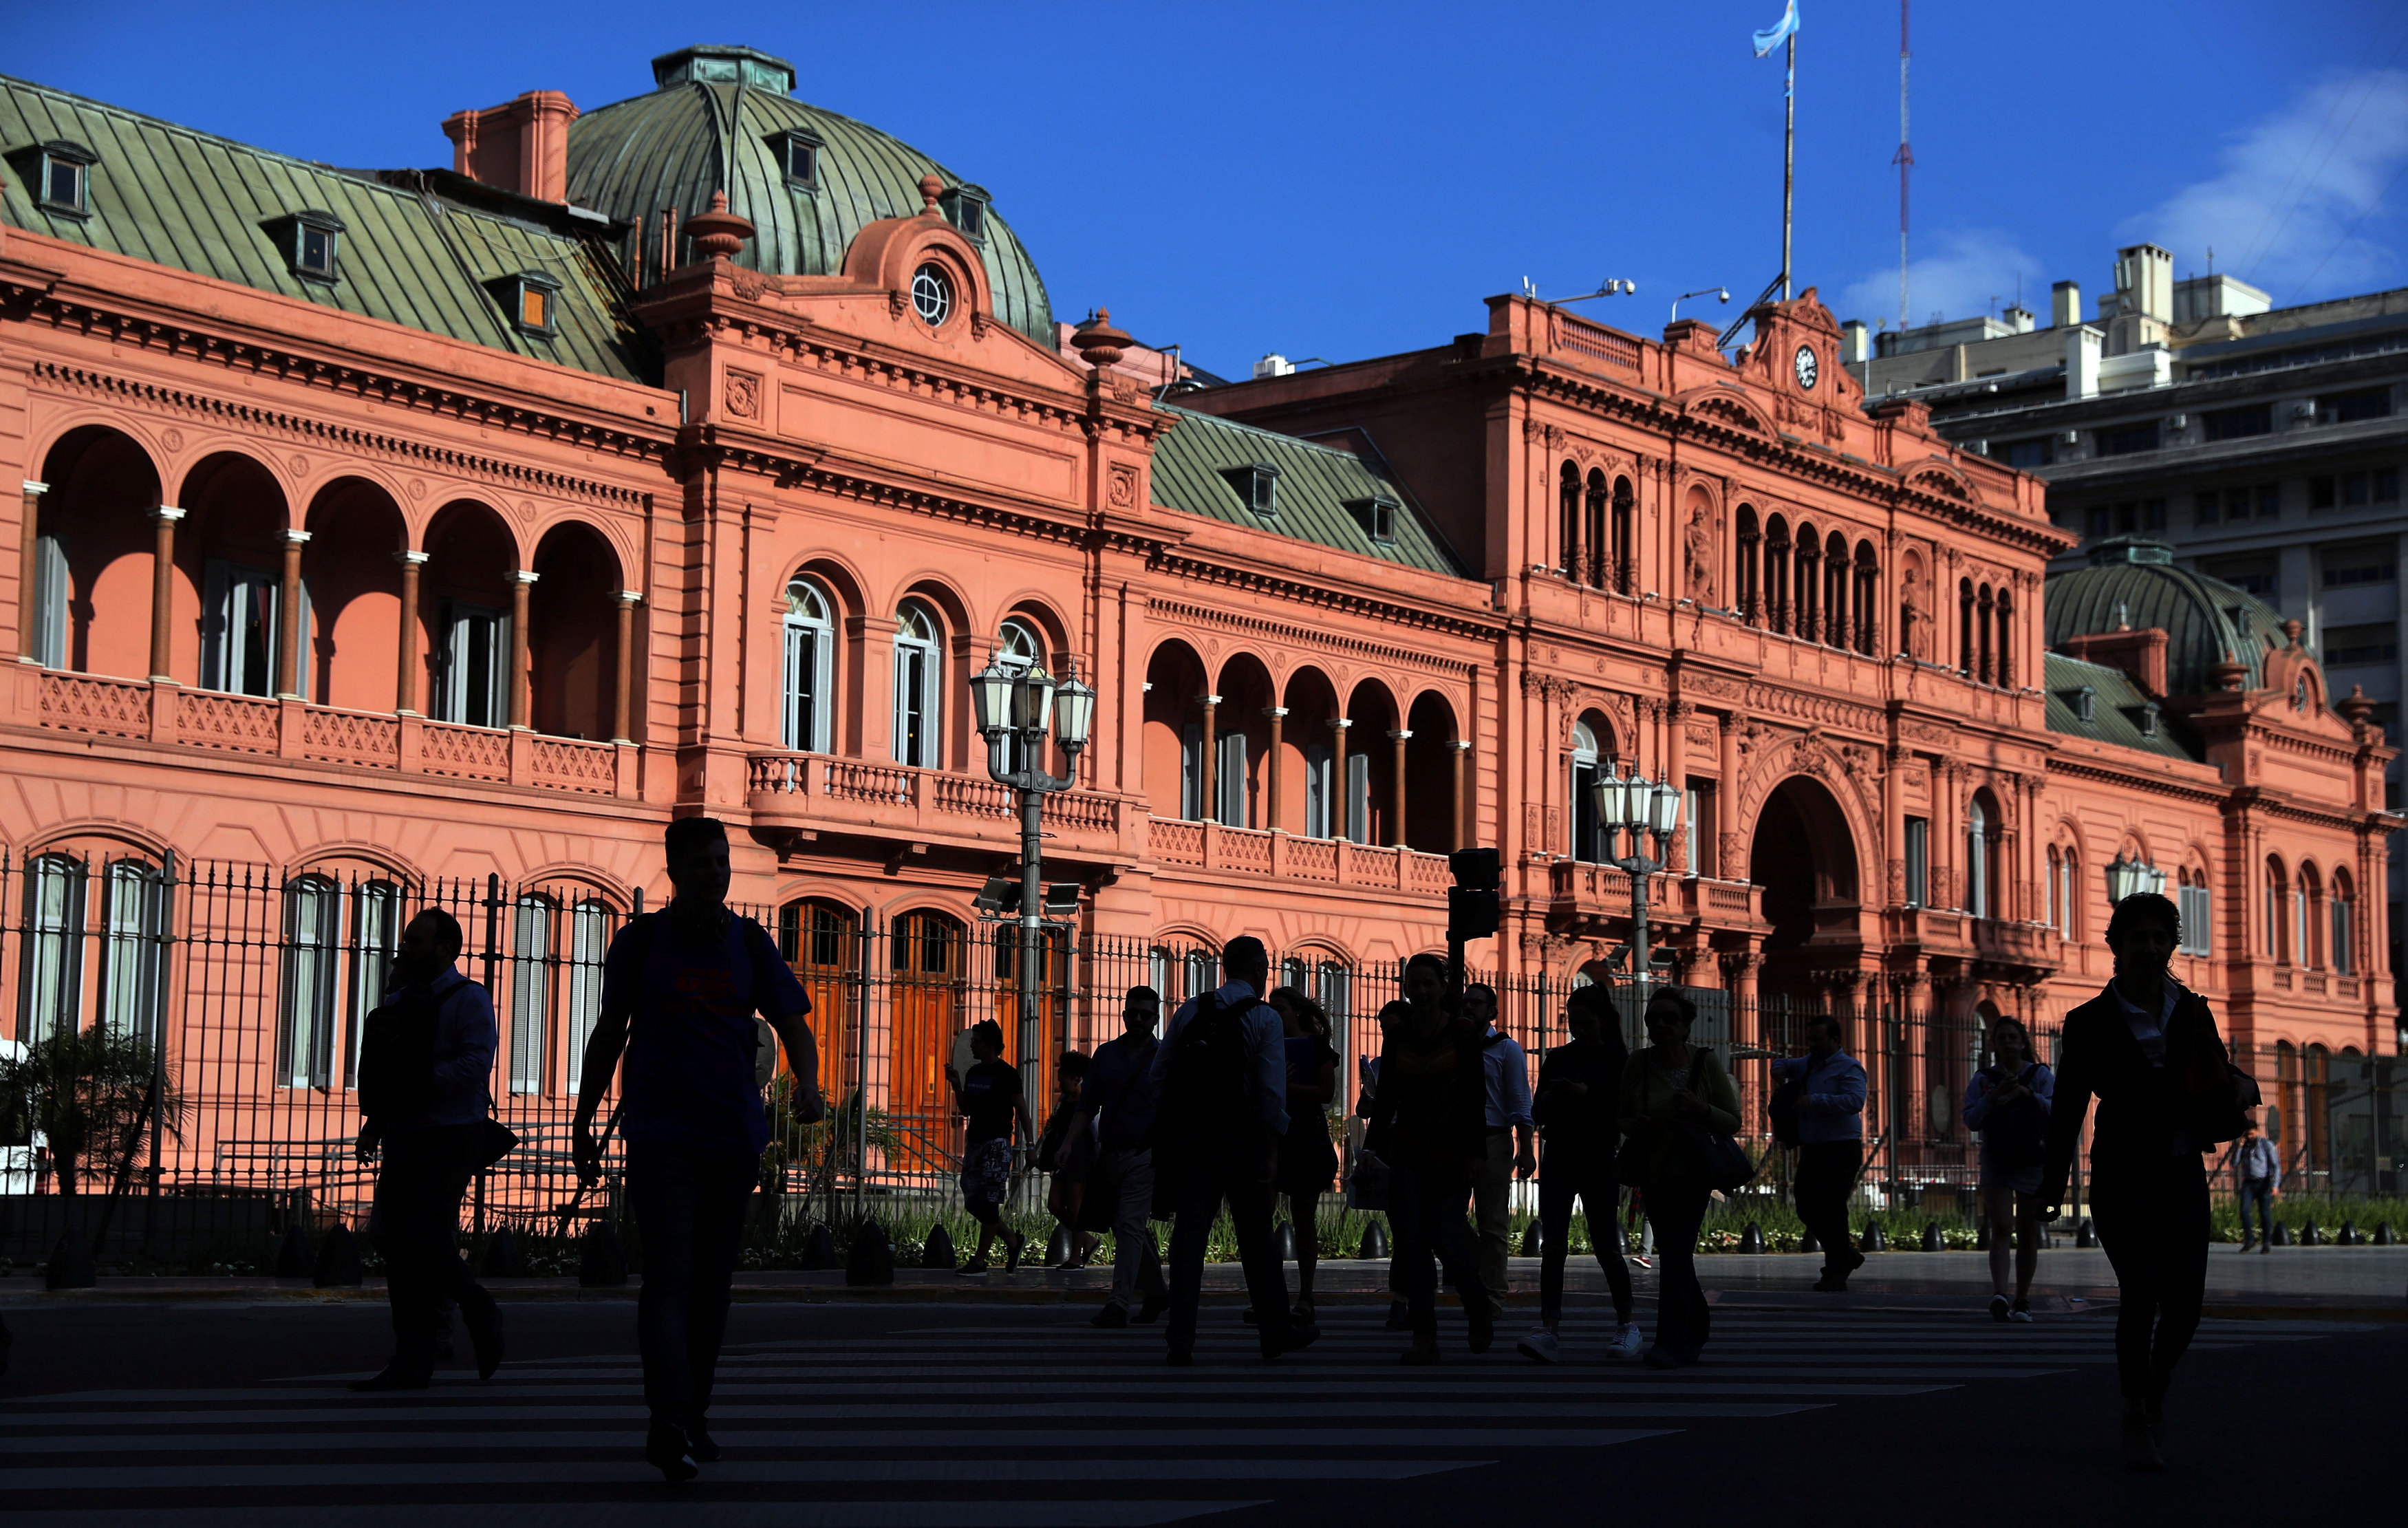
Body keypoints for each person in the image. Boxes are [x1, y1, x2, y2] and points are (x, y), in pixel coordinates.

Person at [574, 816, 821, 1483]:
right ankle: (668, 1418)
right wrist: (582, 1118)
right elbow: (607, 1033)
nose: (716, 871)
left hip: (730, 1137)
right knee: (669, 1278)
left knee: (710, 1289)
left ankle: (692, 1418)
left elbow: (791, 1021)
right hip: (660, 1138)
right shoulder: (641, 942)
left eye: (722, 861)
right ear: (676, 869)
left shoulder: (748, 941)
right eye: (703, 862)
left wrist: (810, 1085)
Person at [2043, 890, 2242, 1473]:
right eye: (2139, 938)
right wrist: (2053, 1186)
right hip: (2122, 1173)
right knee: (2141, 1292)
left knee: (2186, 1307)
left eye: (2161, 938)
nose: (2151, 948)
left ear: (2172, 946)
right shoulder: (2088, 1023)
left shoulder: (2192, 1008)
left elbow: (2214, 1071)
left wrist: (2232, 1088)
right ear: (2116, 946)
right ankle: (2136, 1413)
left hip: (2182, 1169)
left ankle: (2154, 1388)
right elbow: (2066, 1107)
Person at [352, 907, 504, 1392]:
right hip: (408, 1132)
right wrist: (378, 1121)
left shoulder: (469, 998)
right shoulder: (400, 1001)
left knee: (422, 1233)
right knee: (400, 1242)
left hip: (452, 1132)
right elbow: (389, 1068)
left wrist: (424, 1083)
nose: (406, 950)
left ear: (446, 948)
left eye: (416, 941)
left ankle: (473, 1304)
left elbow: (478, 1061)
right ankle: (411, 1358)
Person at [1152, 936, 1319, 1365]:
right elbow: (1270, 1096)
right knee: (1257, 1239)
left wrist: (1175, 1128)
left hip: (1194, 1142)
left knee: (1189, 1237)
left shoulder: (1192, 1009)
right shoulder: (1264, 1018)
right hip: (1241, 1142)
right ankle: (1275, 1331)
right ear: (1260, 969)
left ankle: (1180, 1338)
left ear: (1225, 967)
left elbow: (1161, 1072)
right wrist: (1271, 1155)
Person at [1366, 952, 1492, 1364]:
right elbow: (1385, 1097)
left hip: (1454, 1153)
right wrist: (1371, 1149)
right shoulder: (1398, 1034)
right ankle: (1425, 1335)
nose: (1419, 991)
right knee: (1413, 1244)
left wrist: (1476, 1152)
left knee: (1449, 1239)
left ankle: (1477, 1304)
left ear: (1442, 989)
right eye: (1413, 984)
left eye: (1428, 984)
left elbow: (1476, 1099)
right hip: (1408, 1152)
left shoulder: (1462, 1033)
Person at [1518, 983, 1641, 1363]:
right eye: (1573, 1021)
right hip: (1559, 1156)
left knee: (1606, 1243)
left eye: (1585, 1021)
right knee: (1553, 1245)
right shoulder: (1558, 1058)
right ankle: (1549, 1326)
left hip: (1598, 1158)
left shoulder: (1619, 1061)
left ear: (1602, 1020)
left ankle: (1626, 1323)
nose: (1578, 1028)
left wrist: (1586, 1096)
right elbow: (1536, 1111)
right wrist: (1554, 1098)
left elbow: (1622, 1113)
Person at [1617, 987, 1739, 1370]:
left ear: (1686, 1025)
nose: (1661, 1025)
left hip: (1693, 1173)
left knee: (1673, 1254)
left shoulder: (1705, 1062)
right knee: (1675, 1254)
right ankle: (1696, 1329)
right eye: (1654, 1019)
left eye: (1670, 1018)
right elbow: (1619, 1114)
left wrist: (1701, 1107)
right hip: (1654, 1171)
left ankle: (1669, 1341)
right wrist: (1632, 1125)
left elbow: (1732, 1119)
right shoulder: (1638, 1064)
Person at [1074, 987, 1170, 1327]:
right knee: (1126, 1225)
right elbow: (1088, 1105)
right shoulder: (1106, 1055)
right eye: (1134, 1013)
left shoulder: (1164, 1058)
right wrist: (1068, 1142)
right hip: (1110, 1152)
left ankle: (1118, 1303)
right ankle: (1157, 1291)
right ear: (1125, 1015)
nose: (1140, 1020)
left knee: (1129, 1224)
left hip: (1145, 1155)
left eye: (1147, 1014)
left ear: (1156, 1018)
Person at [1964, 1014, 2054, 1322]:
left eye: (2011, 1037)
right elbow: (1971, 1119)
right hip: (1997, 1157)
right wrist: (1993, 1098)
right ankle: (2000, 1293)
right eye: (2001, 1038)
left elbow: (2058, 1112)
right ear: (1994, 1044)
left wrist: (2028, 1096)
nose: (2006, 1042)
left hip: (2032, 1157)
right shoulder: (1983, 1079)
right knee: (2001, 1226)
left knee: (2028, 1232)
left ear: (2023, 1042)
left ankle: (2023, 1299)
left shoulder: (2040, 1075)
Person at [1770, 1014, 1869, 1292]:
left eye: (1817, 1039)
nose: (1811, 1045)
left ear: (1835, 1040)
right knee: (1805, 1204)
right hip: (1814, 1147)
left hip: (1841, 1146)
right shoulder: (1810, 1064)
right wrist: (1777, 1068)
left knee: (1832, 1207)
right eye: (1809, 1039)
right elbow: (1785, 1063)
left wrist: (1816, 1101)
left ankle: (1836, 1272)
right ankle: (1845, 1254)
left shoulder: (1849, 1068)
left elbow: (1855, 1101)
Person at [1268, 985, 1340, 1323]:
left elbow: (1326, 1092)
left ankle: (1305, 1294)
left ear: (1296, 1011)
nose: (1274, 1014)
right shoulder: (1264, 1045)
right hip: (1271, 1135)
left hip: (1305, 1138)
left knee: (1303, 1220)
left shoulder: (1316, 1048)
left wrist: (1285, 1085)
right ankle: (1268, 1293)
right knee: (1261, 1218)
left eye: (1280, 1008)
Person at [1465, 983, 1536, 1298]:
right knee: (1448, 1215)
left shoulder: (1507, 1048)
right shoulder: (1455, 1045)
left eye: (1476, 1004)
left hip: (1494, 1138)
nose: (1469, 1008)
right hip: (1457, 1138)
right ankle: (1469, 1276)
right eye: (1466, 1003)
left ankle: (1494, 1288)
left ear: (1492, 1011)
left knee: (1493, 1221)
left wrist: (1526, 1150)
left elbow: (1520, 1102)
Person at [950, 1020, 1033, 1276]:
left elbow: (1022, 1110)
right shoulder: (974, 1073)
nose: (971, 1045)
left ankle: (979, 1262)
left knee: (989, 1201)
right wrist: (956, 1084)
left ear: (990, 1045)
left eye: (975, 1041)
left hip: (997, 1143)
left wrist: (1030, 1145)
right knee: (972, 1199)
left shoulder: (1007, 1074)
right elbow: (966, 1110)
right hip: (975, 1141)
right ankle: (1011, 1240)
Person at [1036, 1050, 1097, 1267]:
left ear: (1077, 1079)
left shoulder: (1086, 1100)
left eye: (1063, 1081)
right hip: (1061, 1156)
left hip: (1079, 1156)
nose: (1060, 1086)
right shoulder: (1064, 1099)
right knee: (1054, 1204)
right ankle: (1087, 1240)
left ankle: (1076, 1256)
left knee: (1074, 1206)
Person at [2226, 1119, 2280, 1253]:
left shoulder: (2266, 1145)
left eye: (2252, 1134)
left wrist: (2275, 1185)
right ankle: (2250, 1240)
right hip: (2249, 1183)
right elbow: (2234, 1163)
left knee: (2265, 1213)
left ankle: (2267, 1242)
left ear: (2257, 1131)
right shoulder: (2244, 1146)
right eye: (2247, 1135)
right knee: (2244, 1211)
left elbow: (2275, 1166)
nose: (2250, 1137)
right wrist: (2239, 1147)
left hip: (2264, 1182)